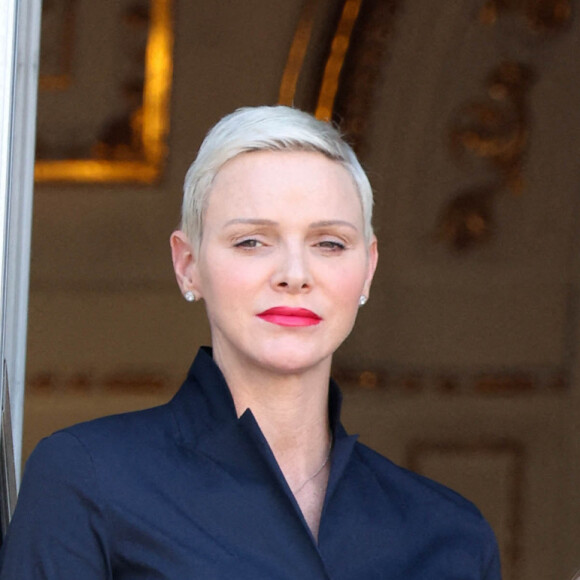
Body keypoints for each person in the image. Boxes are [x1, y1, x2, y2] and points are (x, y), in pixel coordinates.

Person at [0, 106, 501, 579]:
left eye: (329, 243)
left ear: (368, 268)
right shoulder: (89, 480)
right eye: (251, 241)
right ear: (187, 264)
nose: (294, 275)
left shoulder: (448, 532)